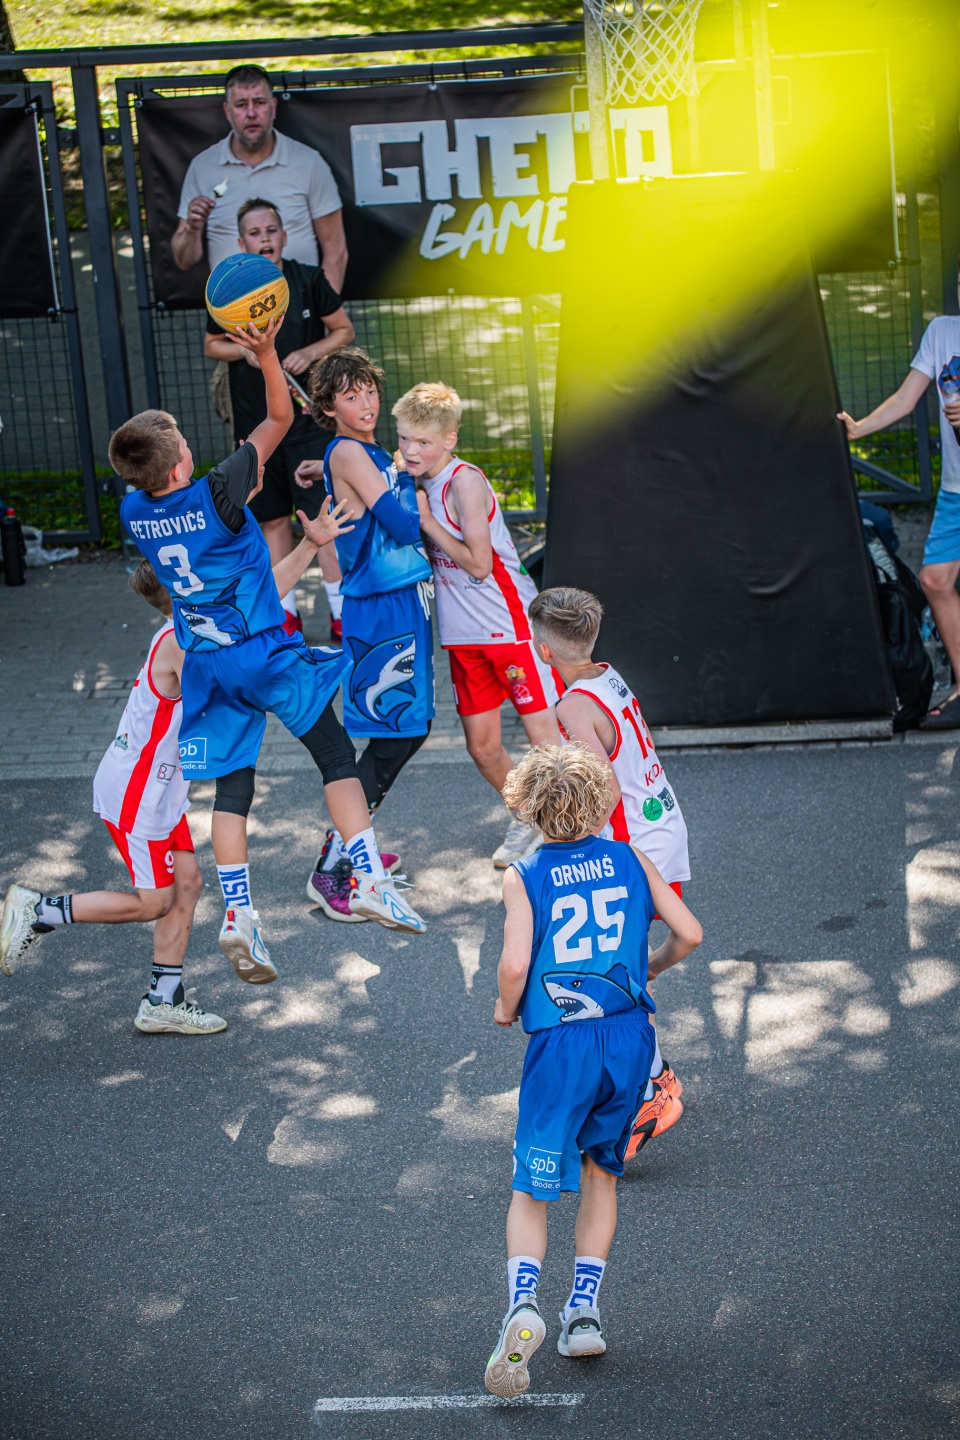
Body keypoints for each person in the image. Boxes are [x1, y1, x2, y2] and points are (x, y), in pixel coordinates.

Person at [111, 318, 426, 978]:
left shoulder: (135, 512)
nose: (190, 446)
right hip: (264, 652)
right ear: (180, 464)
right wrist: (264, 353)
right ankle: (367, 878)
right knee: (335, 754)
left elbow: (184, 506)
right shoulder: (218, 493)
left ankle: (239, 915)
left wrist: (304, 541)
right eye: (183, 441)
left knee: (233, 789)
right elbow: (280, 417)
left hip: (208, 664)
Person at [484, 742, 702, 1398]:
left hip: (563, 1044)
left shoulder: (524, 874)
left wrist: (505, 1007)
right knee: (600, 1173)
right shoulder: (631, 858)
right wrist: (649, 968)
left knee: (532, 1185)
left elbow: (516, 964)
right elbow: (690, 933)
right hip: (628, 1037)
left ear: (528, 808)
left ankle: (523, 1304)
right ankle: (583, 1314)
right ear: (600, 803)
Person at [0, 561, 222, 1033]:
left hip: (160, 789)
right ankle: (39, 911)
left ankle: (162, 1001)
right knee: (155, 901)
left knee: (188, 883)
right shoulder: (180, 641)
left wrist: (310, 546)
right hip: (139, 792)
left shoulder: (185, 630)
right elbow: (227, 692)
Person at [527, 585, 691, 1155]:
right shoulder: (605, 675)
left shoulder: (571, 706)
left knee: (613, 971)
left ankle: (653, 1088)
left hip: (634, 839)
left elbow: (604, 788)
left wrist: (572, 843)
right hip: (659, 824)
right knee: (617, 965)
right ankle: (649, 1079)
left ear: (544, 651)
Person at [390, 381, 562, 868]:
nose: (410, 450)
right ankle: (529, 816)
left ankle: (577, 830)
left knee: (547, 741)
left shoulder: (464, 481)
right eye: (404, 438)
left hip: (508, 628)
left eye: (423, 441)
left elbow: (480, 565)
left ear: (450, 439)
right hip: (462, 638)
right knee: (483, 748)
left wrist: (427, 522)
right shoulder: (412, 476)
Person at [295, 349, 435, 920]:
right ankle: (336, 862)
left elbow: (365, 485)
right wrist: (425, 484)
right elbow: (402, 525)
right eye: (350, 397)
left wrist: (329, 467)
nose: (366, 403)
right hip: (380, 605)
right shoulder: (352, 450)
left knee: (409, 728)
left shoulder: (362, 451)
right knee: (398, 732)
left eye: (370, 391)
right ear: (328, 407)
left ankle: (355, 845)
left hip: (398, 600)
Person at [204, 197, 353, 638]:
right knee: (271, 520)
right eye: (255, 233)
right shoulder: (229, 289)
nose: (264, 238)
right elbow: (212, 345)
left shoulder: (307, 279)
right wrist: (249, 354)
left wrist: (310, 352)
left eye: (271, 230)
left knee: (319, 517)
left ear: (284, 237)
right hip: (258, 427)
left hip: (308, 425)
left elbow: (344, 329)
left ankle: (341, 612)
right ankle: (284, 614)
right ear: (241, 243)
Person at [838, 256, 960, 727]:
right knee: (934, 581)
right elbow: (908, 397)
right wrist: (859, 428)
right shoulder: (942, 332)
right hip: (954, 490)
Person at [172, 64, 347, 289]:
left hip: (298, 304)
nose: (251, 113)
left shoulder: (309, 162)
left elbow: (336, 251)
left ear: (273, 107)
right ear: (227, 111)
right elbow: (183, 260)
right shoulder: (203, 167)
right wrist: (192, 228)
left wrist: (324, 305)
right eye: (241, 104)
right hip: (233, 304)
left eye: (260, 102)